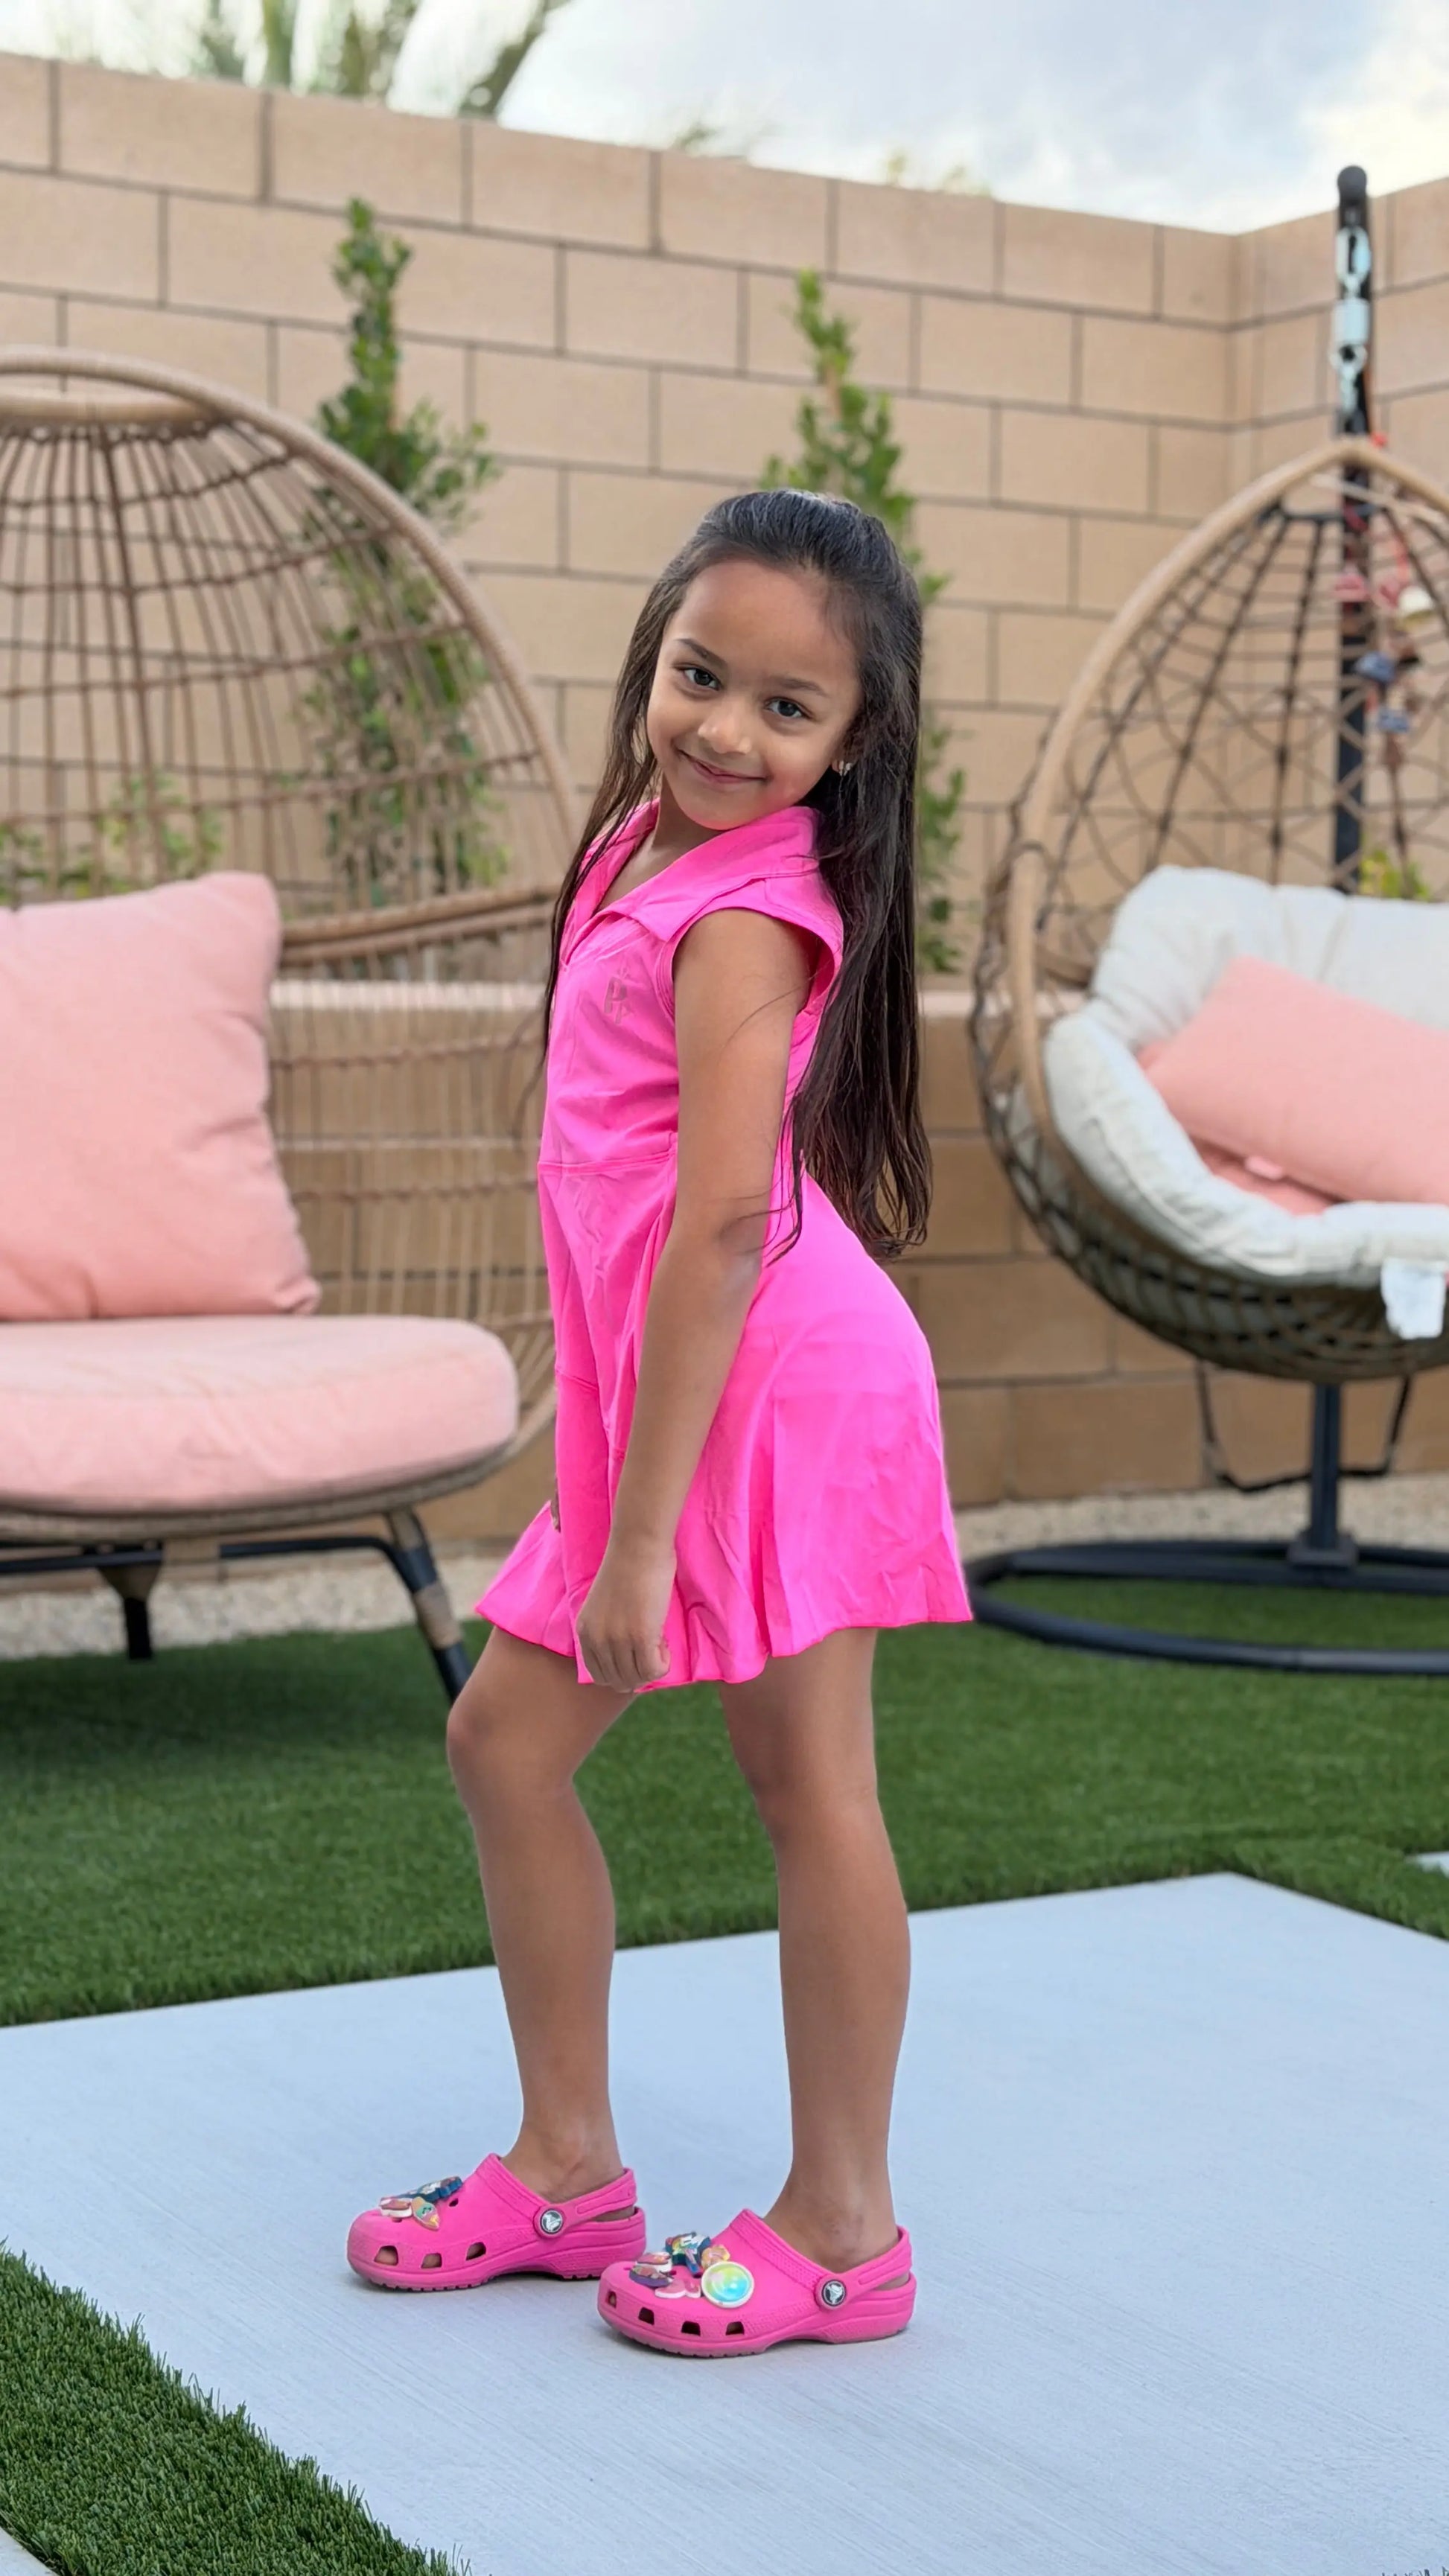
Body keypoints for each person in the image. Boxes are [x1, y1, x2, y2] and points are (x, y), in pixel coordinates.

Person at [346, 488, 971, 2356]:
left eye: (788, 708)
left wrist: (635, 1534)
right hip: (695, 1381)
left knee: (798, 1781)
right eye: (701, 675)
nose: (726, 729)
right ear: (654, 657)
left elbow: (715, 1227)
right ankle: (567, 2167)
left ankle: (844, 2227)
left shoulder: (753, 915)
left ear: (852, 740)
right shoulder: (643, 843)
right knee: (503, 1742)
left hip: (780, 1386)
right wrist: (607, 1465)